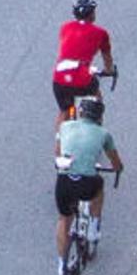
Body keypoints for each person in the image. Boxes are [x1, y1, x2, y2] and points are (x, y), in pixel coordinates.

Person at [54, 90, 126, 264]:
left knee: (64, 219)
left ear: (80, 113)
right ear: (99, 117)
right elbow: (115, 161)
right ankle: (93, 228)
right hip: (87, 182)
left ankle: (62, 264)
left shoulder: (65, 127)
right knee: (98, 189)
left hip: (64, 181)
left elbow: (58, 152)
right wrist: (118, 169)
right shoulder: (103, 134)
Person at [51, 0, 118, 119]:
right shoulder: (101, 33)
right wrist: (109, 71)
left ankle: (59, 137)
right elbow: (107, 58)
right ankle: (96, 127)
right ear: (92, 14)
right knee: (96, 95)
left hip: (59, 77)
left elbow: (72, 51)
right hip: (79, 76)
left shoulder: (65, 27)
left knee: (64, 111)